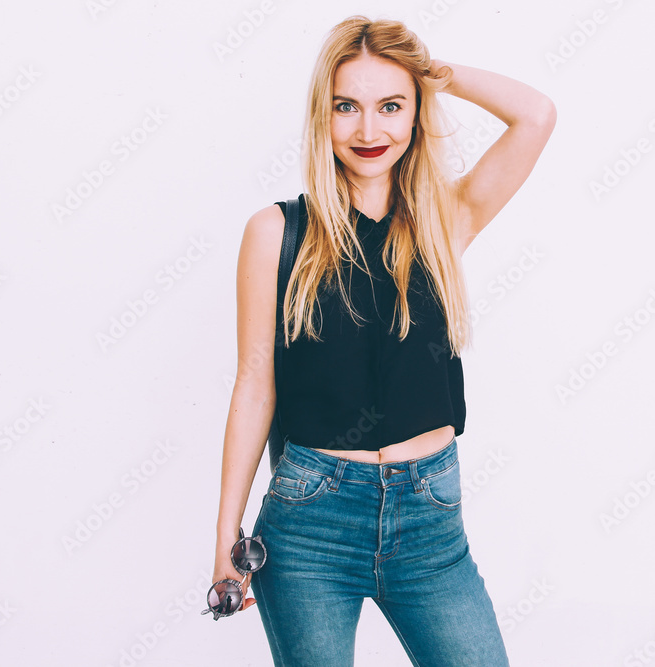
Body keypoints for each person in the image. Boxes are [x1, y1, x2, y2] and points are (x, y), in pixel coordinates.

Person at [212, 14, 556, 666]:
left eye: (391, 106)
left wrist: (434, 74)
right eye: (347, 106)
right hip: (311, 521)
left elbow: (536, 115)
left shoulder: (445, 220)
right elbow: (254, 383)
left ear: (416, 110)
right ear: (324, 115)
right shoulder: (275, 233)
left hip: (429, 520)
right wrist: (225, 535)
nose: (369, 131)